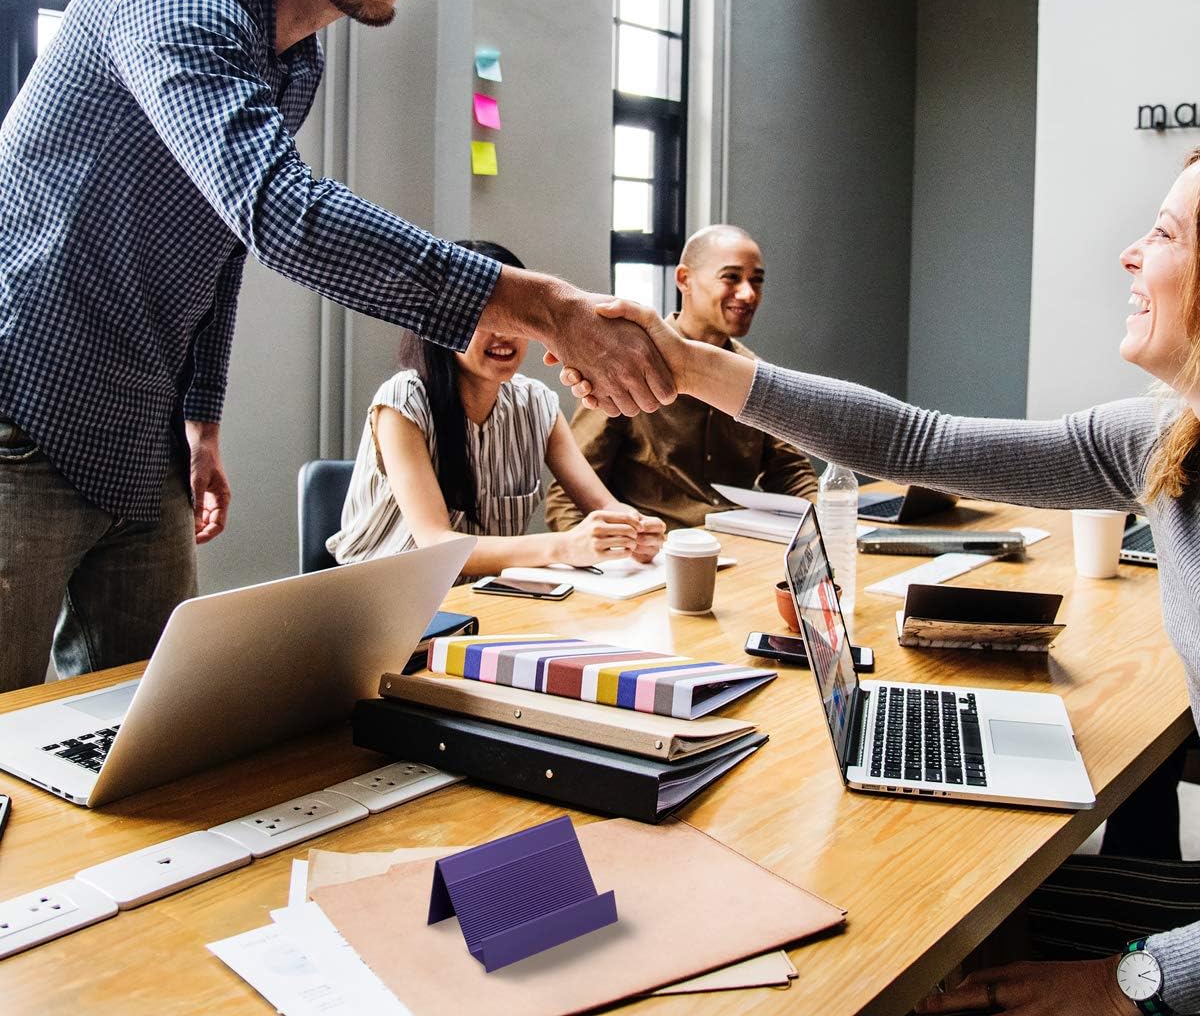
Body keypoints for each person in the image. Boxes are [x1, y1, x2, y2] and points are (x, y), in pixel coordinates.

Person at [0, 0, 672, 692]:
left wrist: (201, 418)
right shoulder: (176, 0)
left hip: (143, 430)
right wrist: (542, 304)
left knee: (142, 731)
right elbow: (278, 212)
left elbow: (226, 240)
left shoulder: (295, 60)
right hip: (20, 407)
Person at [559, 151, 1200, 1016]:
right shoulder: (1160, 438)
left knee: (914, 937)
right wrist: (688, 364)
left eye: (1161, 234)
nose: (1128, 253)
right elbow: (914, 440)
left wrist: (1139, 982)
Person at [328, 241, 665, 579]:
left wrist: (636, 529)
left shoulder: (537, 403)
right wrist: (565, 546)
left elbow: (605, 506)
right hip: (386, 602)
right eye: (484, 316)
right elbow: (436, 545)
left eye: (517, 318)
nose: (504, 333)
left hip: (486, 597)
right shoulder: (404, 401)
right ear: (443, 322)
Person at [544, 226, 817, 533]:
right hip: (655, 555)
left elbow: (791, 472)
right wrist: (594, 558)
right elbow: (568, 496)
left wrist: (833, 523)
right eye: (731, 277)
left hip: (739, 551)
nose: (748, 293)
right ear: (685, 279)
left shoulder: (754, 372)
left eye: (757, 281)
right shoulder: (629, 365)